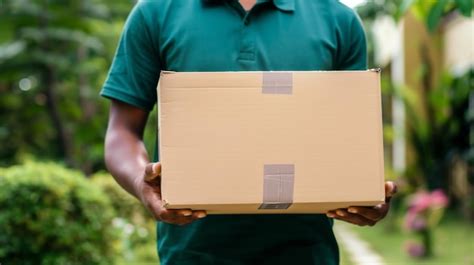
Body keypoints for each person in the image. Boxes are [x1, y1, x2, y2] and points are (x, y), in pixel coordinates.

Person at [101, 0, 398, 264]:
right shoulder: (156, 12)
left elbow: (347, 138)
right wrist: (143, 182)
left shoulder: (338, 20)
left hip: (306, 253)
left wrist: (365, 193)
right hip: (192, 254)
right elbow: (122, 132)